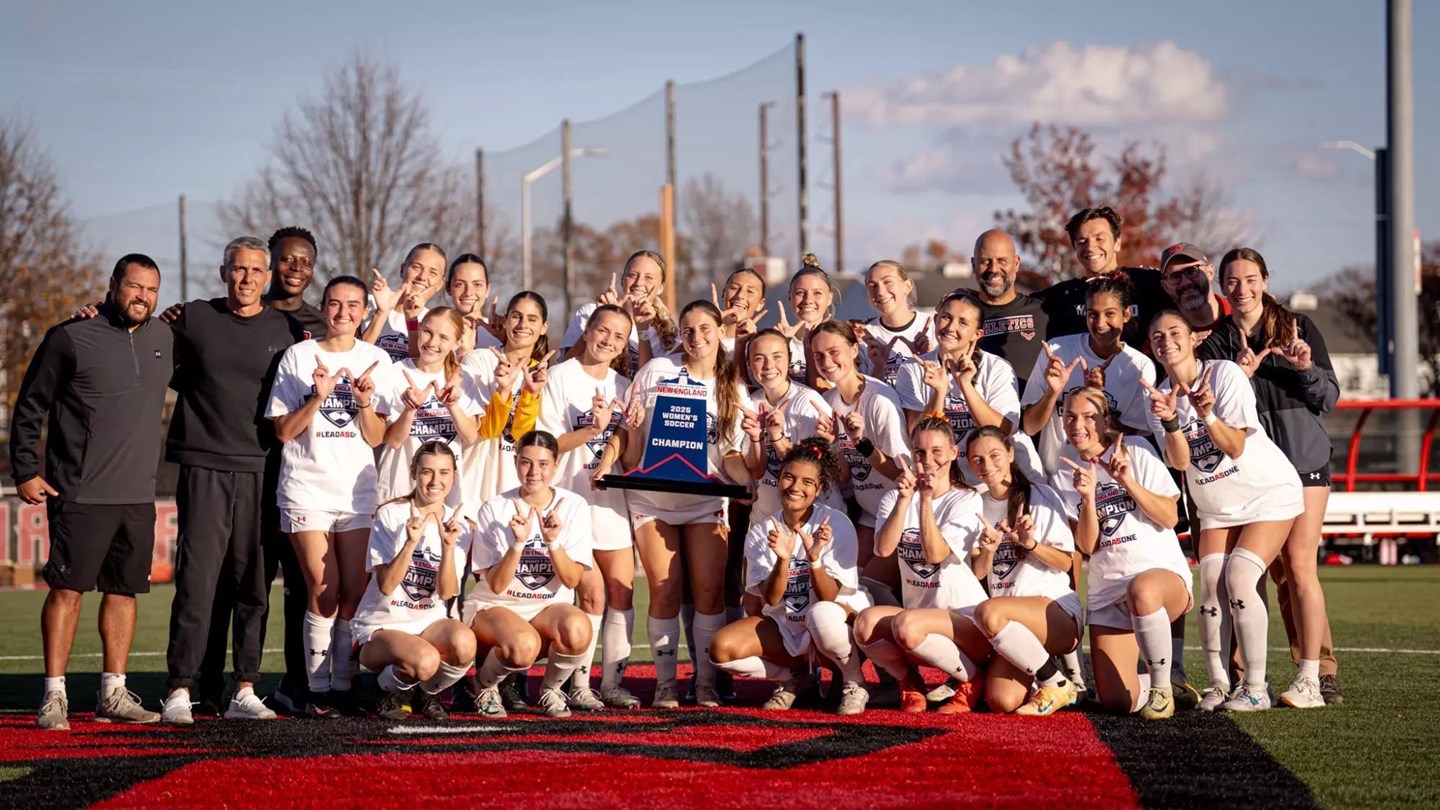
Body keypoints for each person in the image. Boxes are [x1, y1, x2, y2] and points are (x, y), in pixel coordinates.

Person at [12, 254, 171, 730]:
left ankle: (113, 694)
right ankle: (54, 696)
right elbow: (29, 405)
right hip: (78, 491)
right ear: (112, 285)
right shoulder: (69, 336)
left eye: (151, 289)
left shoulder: (165, 337)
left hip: (138, 495)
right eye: (134, 286)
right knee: (66, 591)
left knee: (124, 593)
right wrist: (25, 468)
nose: (142, 296)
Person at [161, 236, 306, 725]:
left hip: (262, 468)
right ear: (223, 272)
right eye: (238, 269)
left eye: (256, 271)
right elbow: (147, 347)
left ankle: (245, 687)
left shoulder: (286, 328)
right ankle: (179, 688)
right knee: (197, 582)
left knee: (253, 586)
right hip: (204, 466)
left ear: (268, 279)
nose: (247, 279)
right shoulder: (194, 318)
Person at [594, 300, 753, 708]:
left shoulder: (732, 385)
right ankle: (666, 683)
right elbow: (628, 438)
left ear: (720, 331)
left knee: (708, 591)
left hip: (704, 501)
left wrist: (745, 480)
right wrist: (608, 460)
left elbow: (731, 453)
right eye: (688, 329)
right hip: (653, 498)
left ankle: (705, 683)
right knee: (664, 591)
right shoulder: (657, 371)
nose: (696, 337)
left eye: (705, 328)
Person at [1144, 311, 1303, 712]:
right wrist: (1169, 422)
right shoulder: (1160, 395)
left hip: (1267, 492)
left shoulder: (1224, 374)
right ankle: (1218, 684)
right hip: (1216, 505)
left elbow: (1234, 446)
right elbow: (1181, 462)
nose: (1167, 341)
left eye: (1175, 332)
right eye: (1158, 336)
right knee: (1210, 590)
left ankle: (1255, 687)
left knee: (1240, 578)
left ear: (1194, 338)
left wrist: (1207, 412)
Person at [1204, 248, 1342, 708]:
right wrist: (1239, 379)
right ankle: (1246, 678)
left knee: (1300, 569)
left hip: (1302, 463)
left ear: (1265, 281)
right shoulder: (1218, 342)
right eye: (1232, 280)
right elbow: (1212, 414)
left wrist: (1304, 368)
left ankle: (1317, 675)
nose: (1241, 288)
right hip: (1250, 472)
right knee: (1248, 573)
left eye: (1249, 279)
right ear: (1222, 286)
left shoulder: (1297, 327)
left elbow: (1329, 398)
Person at [265, 275, 391, 717]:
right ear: (323, 307)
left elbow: (379, 437)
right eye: (335, 304)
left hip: (356, 493)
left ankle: (341, 685)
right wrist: (317, 398)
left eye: (353, 305)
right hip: (306, 490)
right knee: (324, 588)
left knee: (354, 592)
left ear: (364, 312)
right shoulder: (298, 356)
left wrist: (363, 404)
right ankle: (316, 691)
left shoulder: (375, 359)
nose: (343, 312)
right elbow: (282, 431)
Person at [1051, 388, 1193, 718]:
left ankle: (1161, 688)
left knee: (1141, 590)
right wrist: (1086, 497)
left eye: (1088, 416)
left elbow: (1170, 517)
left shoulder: (1137, 450)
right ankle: (1169, 688)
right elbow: (1087, 546)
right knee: (1117, 702)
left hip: (1159, 579)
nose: (1078, 424)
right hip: (1107, 591)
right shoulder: (1062, 475)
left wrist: (1127, 481)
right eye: (1070, 416)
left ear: (1106, 421)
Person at [925, 426, 1081, 716]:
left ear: (1011, 453)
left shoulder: (1040, 495)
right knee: (1001, 700)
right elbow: (981, 572)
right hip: (1006, 624)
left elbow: (1067, 562)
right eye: (977, 459)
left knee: (988, 612)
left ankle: (1056, 682)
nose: (987, 465)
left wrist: (1031, 544)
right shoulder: (974, 502)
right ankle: (1044, 673)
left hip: (1053, 611)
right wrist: (988, 550)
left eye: (994, 455)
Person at [710, 440, 872, 715]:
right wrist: (783, 560)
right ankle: (796, 677)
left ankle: (853, 681)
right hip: (790, 626)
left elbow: (829, 597)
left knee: (821, 615)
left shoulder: (834, 523)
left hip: (835, 625)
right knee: (721, 649)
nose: (796, 487)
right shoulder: (763, 530)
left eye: (807, 482)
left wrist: (815, 559)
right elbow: (770, 598)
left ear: (819, 489)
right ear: (779, 480)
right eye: (789, 477)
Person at [537, 304, 637, 710]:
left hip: (612, 504)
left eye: (618, 336)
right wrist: (591, 430)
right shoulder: (560, 377)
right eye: (602, 331)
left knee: (622, 593)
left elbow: (632, 456)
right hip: (570, 501)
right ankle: (576, 684)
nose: (608, 341)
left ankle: (611, 683)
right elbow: (545, 444)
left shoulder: (626, 386)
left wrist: (627, 434)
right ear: (588, 329)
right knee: (589, 595)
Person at [852, 418, 986, 713]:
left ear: (953, 452)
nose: (928, 460)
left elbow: (935, 553)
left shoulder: (966, 499)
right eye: (920, 452)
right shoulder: (894, 497)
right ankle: (909, 681)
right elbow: (883, 548)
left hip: (964, 620)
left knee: (906, 625)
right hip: (917, 620)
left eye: (937, 451)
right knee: (864, 625)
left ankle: (972, 678)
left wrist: (925, 500)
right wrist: (904, 500)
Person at [464, 430, 595, 719]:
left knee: (578, 627)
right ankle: (484, 686)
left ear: (556, 465)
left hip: (546, 608)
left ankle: (551, 690)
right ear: (515, 462)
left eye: (543, 464)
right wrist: (518, 542)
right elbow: (496, 585)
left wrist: (553, 542)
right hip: (497, 606)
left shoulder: (573, 506)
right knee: (523, 645)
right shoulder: (495, 508)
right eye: (525, 462)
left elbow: (572, 580)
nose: (534, 472)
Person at [353, 442, 476, 721]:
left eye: (444, 473)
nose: (435, 481)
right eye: (427, 472)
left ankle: (422, 692)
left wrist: (448, 547)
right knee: (425, 660)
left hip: (427, 624)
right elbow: (386, 585)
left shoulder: (459, 525)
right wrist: (410, 543)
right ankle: (383, 689)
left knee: (465, 643)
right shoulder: (391, 514)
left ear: (454, 476)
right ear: (413, 472)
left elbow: (446, 593)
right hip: (382, 625)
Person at [895, 293, 1044, 484]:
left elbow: (1004, 430)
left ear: (977, 334)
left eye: (963, 322)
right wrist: (938, 393)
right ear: (935, 320)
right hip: (946, 482)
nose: (950, 327)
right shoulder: (912, 368)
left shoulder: (996, 367)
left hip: (996, 479)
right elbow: (918, 436)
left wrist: (966, 386)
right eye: (946, 317)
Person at [1021, 273, 1155, 474]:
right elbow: (1030, 427)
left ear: (1126, 314)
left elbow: (1137, 439)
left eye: (1110, 314)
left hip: (1109, 483)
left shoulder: (1138, 366)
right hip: (1056, 480)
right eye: (1093, 314)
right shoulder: (1057, 350)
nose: (1100, 323)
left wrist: (1096, 401)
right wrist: (1052, 393)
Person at [809, 320, 911, 581]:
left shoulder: (879, 400)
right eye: (818, 355)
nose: (826, 361)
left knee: (871, 586)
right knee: (849, 583)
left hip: (902, 513)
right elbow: (844, 477)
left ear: (854, 350)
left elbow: (903, 475)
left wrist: (861, 442)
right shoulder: (828, 402)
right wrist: (833, 442)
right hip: (868, 513)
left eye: (834, 352)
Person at [374, 307, 483, 505]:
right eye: (427, 332)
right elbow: (393, 441)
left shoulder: (463, 377)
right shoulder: (395, 372)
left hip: (444, 494)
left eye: (443, 337)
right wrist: (410, 410)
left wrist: (453, 406)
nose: (432, 343)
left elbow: (470, 436)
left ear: (457, 342)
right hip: (399, 490)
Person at [462, 291, 554, 506]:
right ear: (505, 321)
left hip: (515, 494)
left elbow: (522, 436)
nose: (523, 324)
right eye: (516, 316)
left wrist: (530, 395)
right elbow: (486, 431)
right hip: (471, 489)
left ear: (544, 327)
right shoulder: (479, 360)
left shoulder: (542, 375)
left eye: (532, 319)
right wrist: (503, 391)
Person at [743, 329, 842, 523]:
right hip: (766, 520)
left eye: (777, 357)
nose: (769, 365)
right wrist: (756, 438)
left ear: (789, 359)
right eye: (759, 358)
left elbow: (809, 471)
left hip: (816, 520)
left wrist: (776, 437)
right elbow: (756, 471)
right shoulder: (751, 403)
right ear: (749, 364)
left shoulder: (807, 402)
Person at [1035, 207, 1172, 345]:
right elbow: (1018, 306)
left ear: (1117, 243)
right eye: (1082, 241)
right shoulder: (1062, 296)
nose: (1090, 247)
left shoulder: (1149, 284)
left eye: (1099, 238)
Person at [560, 250, 677, 369]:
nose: (639, 282)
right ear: (622, 280)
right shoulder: (590, 312)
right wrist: (603, 317)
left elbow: (648, 379)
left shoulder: (668, 333)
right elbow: (565, 366)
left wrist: (643, 330)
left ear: (661, 288)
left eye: (648, 278)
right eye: (632, 275)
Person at [968, 230, 1049, 388]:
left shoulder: (1043, 312)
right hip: (977, 411)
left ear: (1016, 263)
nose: (993, 269)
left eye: (1002, 261)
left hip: (1032, 412)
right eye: (985, 261)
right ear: (973, 264)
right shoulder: (961, 317)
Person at [363, 242, 448, 362]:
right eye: (416, 267)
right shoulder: (369, 304)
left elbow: (422, 368)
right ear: (403, 269)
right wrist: (381, 313)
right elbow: (355, 355)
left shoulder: (435, 322)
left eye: (433, 273)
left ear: (440, 283)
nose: (422, 277)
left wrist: (412, 319)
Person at [857, 260, 932, 389]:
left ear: (907, 286)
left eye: (887, 282)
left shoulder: (933, 328)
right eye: (872, 285)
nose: (880, 292)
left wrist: (929, 358)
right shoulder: (863, 337)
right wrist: (879, 367)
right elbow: (864, 396)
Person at [773, 254, 840, 387]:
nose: (808, 300)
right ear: (790, 297)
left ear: (829, 298)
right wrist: (783, 345)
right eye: (800, 293)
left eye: (817, 293)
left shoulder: (841, 343)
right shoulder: (778, 341)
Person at [1158, 243, 1231, 338]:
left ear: (1210, 273)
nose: (1185, 283)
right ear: (1165, 286)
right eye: (1175, 276)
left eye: (1192, 271)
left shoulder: (1240, 316)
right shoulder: (1162, 339)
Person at [444, 253, 503, 355]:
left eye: (477, 284)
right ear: (448, 288)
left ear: (487, 289)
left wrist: (506, 340)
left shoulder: (501, 332)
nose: (468, 292)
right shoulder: (437, 329)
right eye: (460, 284)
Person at [711, 266, 769, 352]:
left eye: (750, 291)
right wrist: (710, 325)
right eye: (734, 288)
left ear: (760, 304)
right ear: (723, 294)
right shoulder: (702, 337)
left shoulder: (761, 348)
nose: (740, 295)